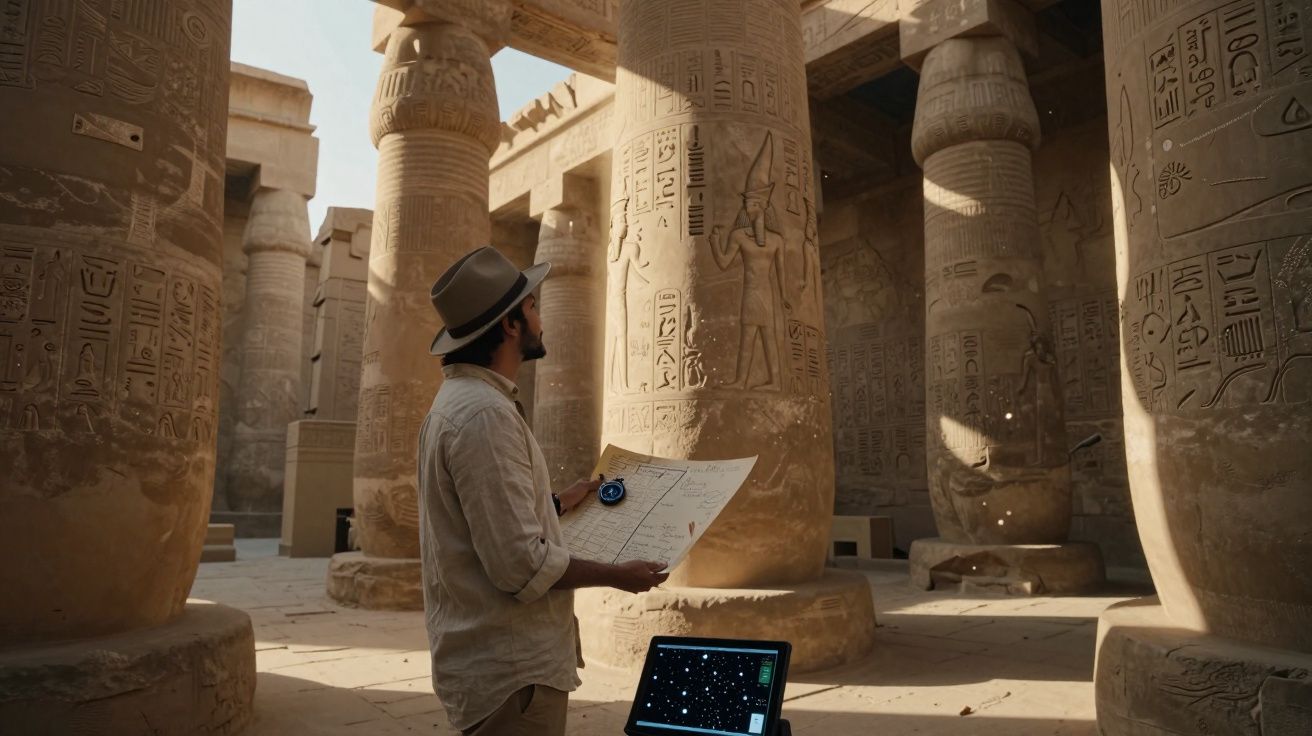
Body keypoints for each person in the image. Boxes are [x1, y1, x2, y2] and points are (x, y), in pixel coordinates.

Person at [417, 246, 669, 736]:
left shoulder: (464, 402)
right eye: (532, 307)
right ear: (510, 325)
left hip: (496, 667)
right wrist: (618, 575)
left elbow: (483, 521)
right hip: (512, 676)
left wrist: (555, 502)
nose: (540, 318)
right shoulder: (484, 415)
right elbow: (521, 565)